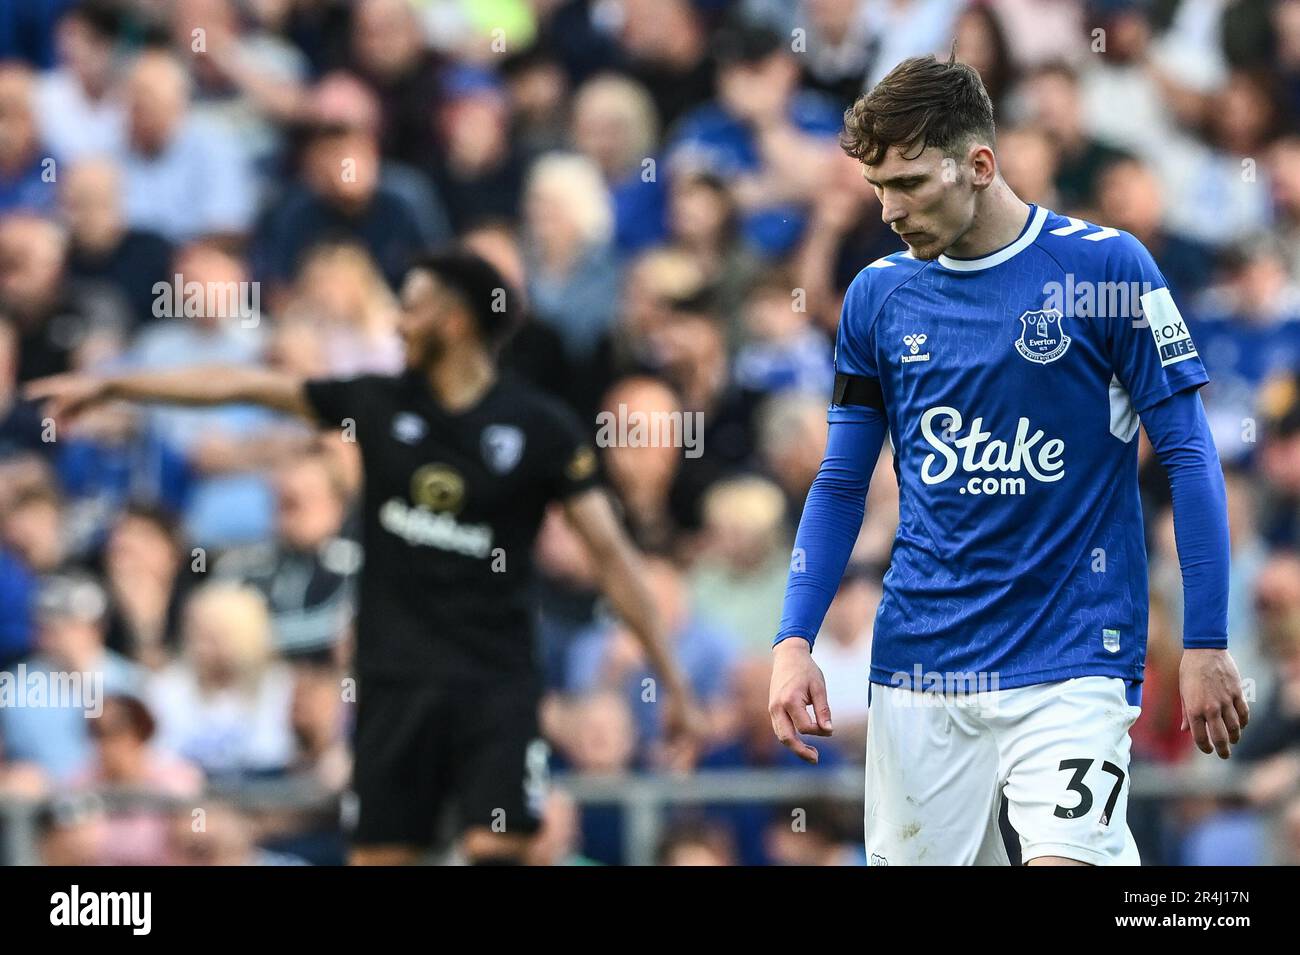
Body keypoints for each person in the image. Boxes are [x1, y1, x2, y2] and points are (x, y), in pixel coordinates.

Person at [27, 247, 698, 865]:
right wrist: (119, 387)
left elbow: (611, 555)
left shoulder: (539, 428)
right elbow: (246, 385)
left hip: (493, 683)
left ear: (457, 320)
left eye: (412, 304)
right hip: (392, 682)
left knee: (500, 846)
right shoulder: (377, 403)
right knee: (380, 857)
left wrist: (670, 678)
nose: (399, 321)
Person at [768, 53, 1249, 866]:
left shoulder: (1105, 271)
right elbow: (844, 479)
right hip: (922, 664)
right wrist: (793, 639)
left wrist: (1205, 637)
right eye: (878, 186)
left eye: (911, 183)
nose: (889, 209)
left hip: (1070, 658)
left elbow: (1190, 454)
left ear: (979, 165)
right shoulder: (878, 297)